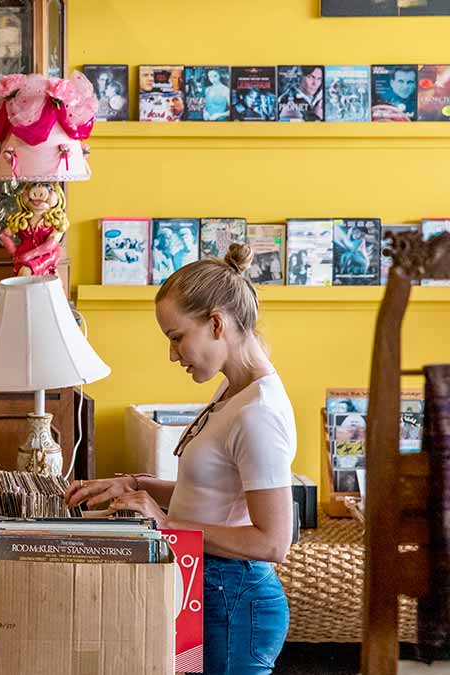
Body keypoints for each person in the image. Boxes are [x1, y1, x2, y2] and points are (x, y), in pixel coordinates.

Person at [66, 244, 296, 675]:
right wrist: (136, 486)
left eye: (176, 338)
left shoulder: (258, 413)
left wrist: (165, 523)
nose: (173, 355)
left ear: (215, 324)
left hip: (234, 600)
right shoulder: (234, 393)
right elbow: (208, 495)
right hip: (208, 588)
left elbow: (272, 543)